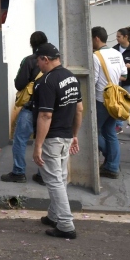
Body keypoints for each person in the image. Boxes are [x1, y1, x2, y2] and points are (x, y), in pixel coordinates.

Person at [32, 43, 83, 239]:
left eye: (39, 61)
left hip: (52, 137)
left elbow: (45, 115)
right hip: (66, 135)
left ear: (45, 59)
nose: (38, 65)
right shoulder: (71, 77)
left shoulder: (47, 81)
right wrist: (74, 134)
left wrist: (37, 145)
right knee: (60, 178)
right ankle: (54, 215)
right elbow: (79, 109)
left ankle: (66, 225)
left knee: (54, 181)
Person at [1, 31, 47, 184]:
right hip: (48, 109)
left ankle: (19, 172)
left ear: (32, 45)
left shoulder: (29, 61)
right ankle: (42, 174)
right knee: (44, 140)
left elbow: (19, 83)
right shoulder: (54, 61)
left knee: (20, 139)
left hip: (31, 107)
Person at [92, 26, 127, 180]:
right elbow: (124, 75)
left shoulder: (96, 56)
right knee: (110, 132)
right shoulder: (117, 53)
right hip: (115, 99)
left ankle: (110, 160)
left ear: (96, 38)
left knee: (93, 132)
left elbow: (92, 80)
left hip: (101, 99)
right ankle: (112, 166)